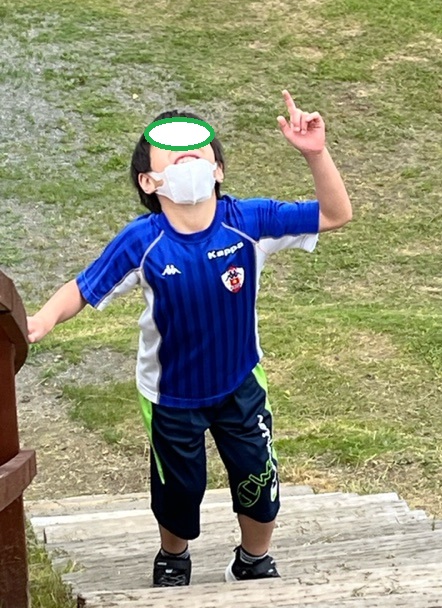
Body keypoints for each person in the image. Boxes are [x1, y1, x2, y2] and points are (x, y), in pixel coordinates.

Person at [27, 90, 352, 587]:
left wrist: (315, 153)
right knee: (178, 491)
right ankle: (173, 557)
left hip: (240, 384)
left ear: (217, 170)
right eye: (173, 156)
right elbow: (83, 287)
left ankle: (253, 560)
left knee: (258, 480)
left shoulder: (250, 222)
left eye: (197, 153)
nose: (188, 160)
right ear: (149, 181)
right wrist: (42, 321)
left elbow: (335, 214)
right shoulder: (142, 240)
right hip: (170, 395)